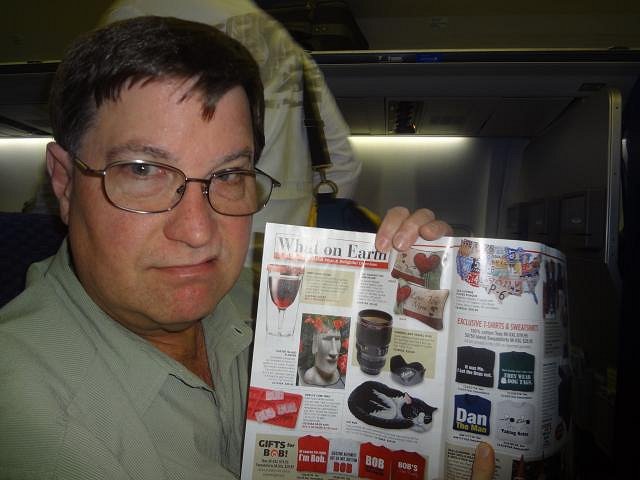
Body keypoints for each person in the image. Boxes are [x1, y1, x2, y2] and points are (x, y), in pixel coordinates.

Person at [0, 16, 492, 479]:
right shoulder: (33, 418)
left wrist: (423, 303)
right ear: (64, 183)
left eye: (229, 175)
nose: (198, 232)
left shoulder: (258, 295)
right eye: (143, 171)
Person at [100, 0, 362, 268]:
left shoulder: (138, 13)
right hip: (284, 264)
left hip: (184, 259)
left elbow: (103, 137)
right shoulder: (282, 40)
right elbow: (341, 161)